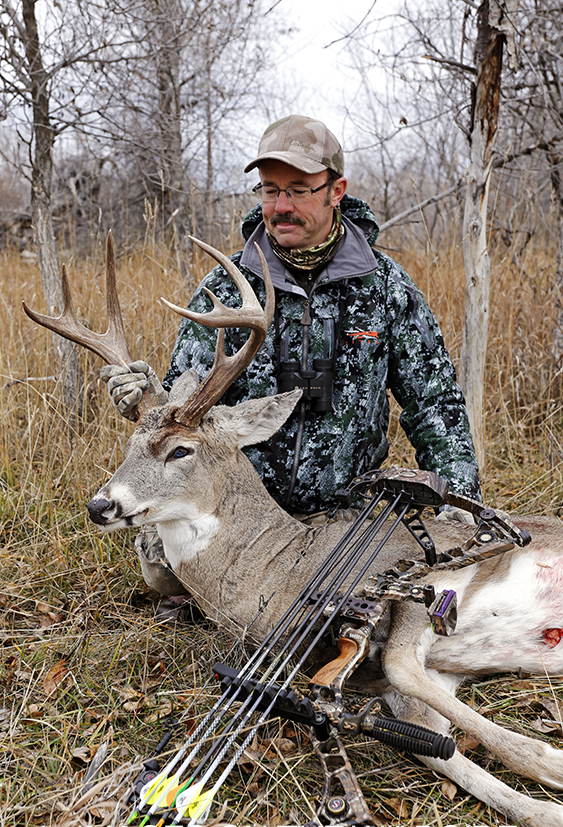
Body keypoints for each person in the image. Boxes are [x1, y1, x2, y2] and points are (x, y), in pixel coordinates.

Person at [102, 115, 480, 616]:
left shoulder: (386, 289)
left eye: (299, 190)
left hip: (343, 513)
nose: (281, 207)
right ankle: (217, 590)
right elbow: (181, 414)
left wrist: (461, 511)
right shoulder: (227, 289)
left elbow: (436, 407)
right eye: (270, 189)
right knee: (159, 568)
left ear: (336, 190)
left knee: (370, 593)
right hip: (239, 514)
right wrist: (145, 396)